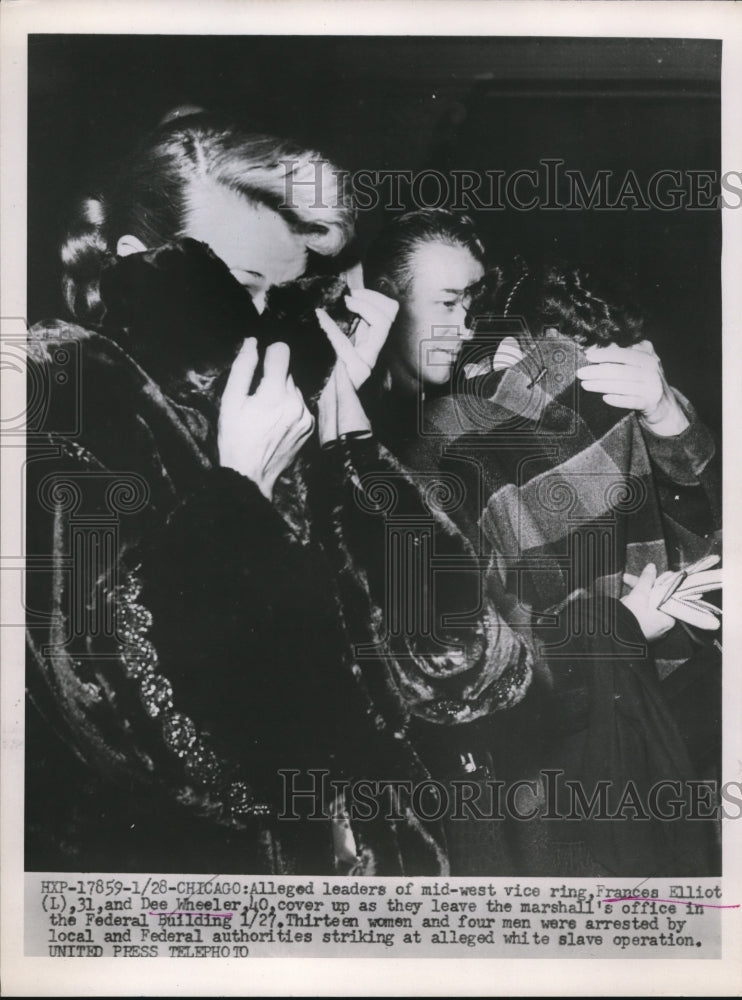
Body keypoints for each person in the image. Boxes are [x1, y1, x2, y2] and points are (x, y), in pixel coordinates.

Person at [25, 115, 534, 876]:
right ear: (136, 259)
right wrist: (239, 492)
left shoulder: (270, 394)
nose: (265, 321)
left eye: (286, 293)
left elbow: (463, 672)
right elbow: (133, 733)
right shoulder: (60, 394)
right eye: (241, 286)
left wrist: (346, 437)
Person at [363, 209, 721, 876]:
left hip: (641, 720)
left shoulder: (491, 403)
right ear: (378, 302)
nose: (466, 324)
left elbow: (708, 530)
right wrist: (616, 625)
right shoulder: (409, 446)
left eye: (474, 302)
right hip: (544, 770)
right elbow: (452, 664)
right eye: (447, 301)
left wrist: (668, 413)